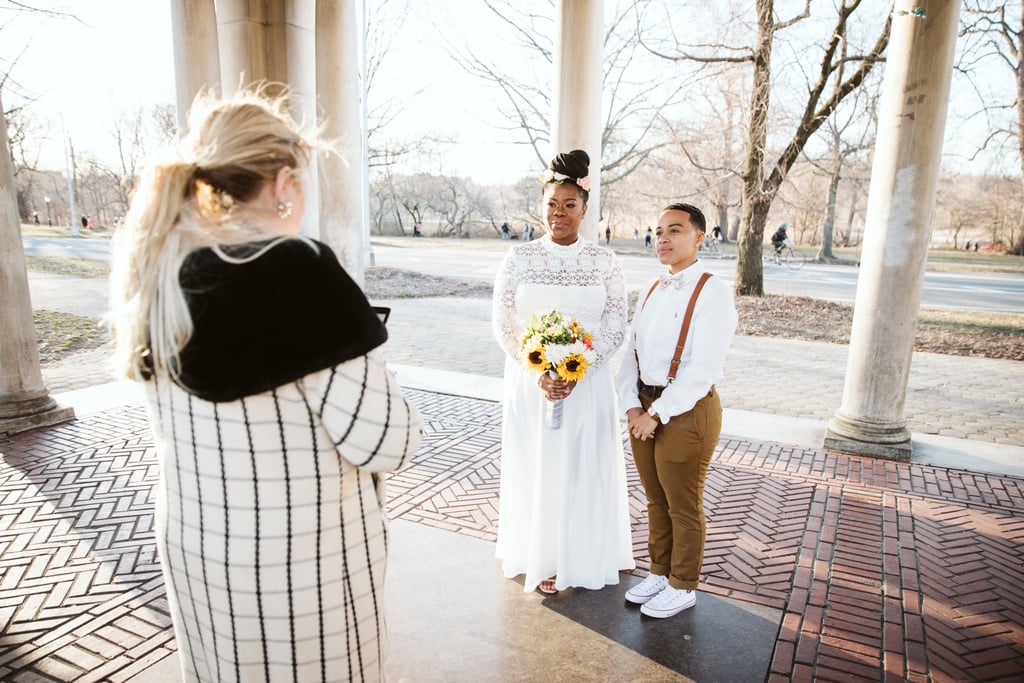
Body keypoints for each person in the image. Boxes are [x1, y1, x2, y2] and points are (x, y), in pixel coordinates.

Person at [107, 88, 423, 681]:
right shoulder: (296, 269)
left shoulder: (158, 270)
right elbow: (386, 442)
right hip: (301, 569)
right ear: (281, 183)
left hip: (201, 546)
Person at [492, 149, 634, 595]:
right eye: (552, 204)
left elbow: (615, 322)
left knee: (580, 469)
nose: (560, 213)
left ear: (585, 209)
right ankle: (543, 556)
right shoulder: (518, 259)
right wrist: (537, 371)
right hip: (530, 383)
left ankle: (583, 554)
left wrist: (579, 368)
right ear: (542, 206)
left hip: (586, 387)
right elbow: (504, 322)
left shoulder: (605, 262)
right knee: (536, 464)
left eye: (569, 205)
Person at [616, 202, 737, 619]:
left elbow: (703, 369)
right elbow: (631, 353)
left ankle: (683, 584)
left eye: (675, 230)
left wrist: (658, 413)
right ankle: (659, 572)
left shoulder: (713, 290)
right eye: (659, 231)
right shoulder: (652, 287)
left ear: (699, 237)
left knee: (683, 503)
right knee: (654, 500)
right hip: (645, 406)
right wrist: (632, 406)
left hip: (687, 409)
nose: (663, 239)